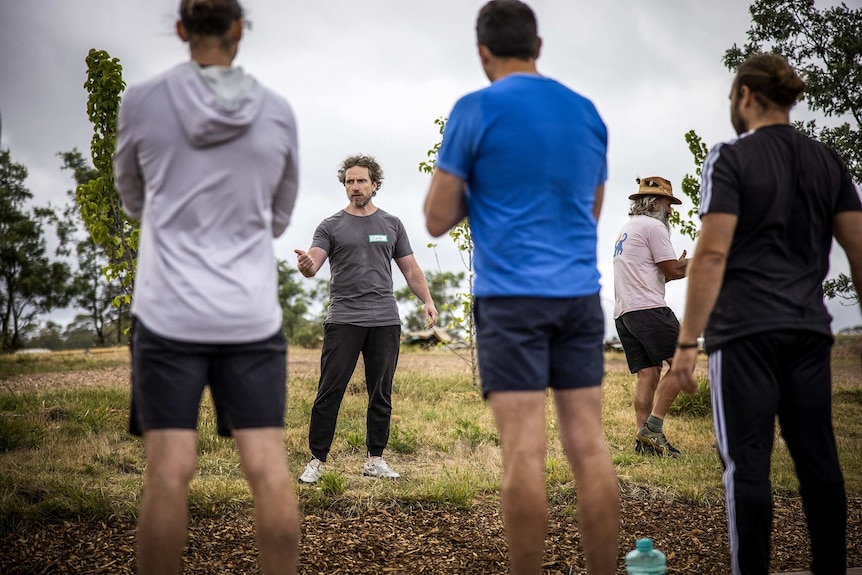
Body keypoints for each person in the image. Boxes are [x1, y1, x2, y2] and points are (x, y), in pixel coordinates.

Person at [423, 1, 619, 573]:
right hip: (580, 296)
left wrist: (485, 190)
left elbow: (436, 218)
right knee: (588, 446)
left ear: (483, 52)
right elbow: (592, 209)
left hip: (510, 300)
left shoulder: (475, 109)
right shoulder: (586, 112)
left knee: (524, 452)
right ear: (539, 47)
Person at [113, 1, 301, 573]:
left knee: (168, 471)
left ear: (181, 31)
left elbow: (132, 197)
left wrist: (177, 225)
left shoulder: (141, 102)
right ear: (239, 29)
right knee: (268, 467)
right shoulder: (277, 112)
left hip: (168, 313)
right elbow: (279, 214)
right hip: (250, 315)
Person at [666, 53, 862, 575]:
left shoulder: (728, 158)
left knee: (746, 466)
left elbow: (710, 254)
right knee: (820, 464)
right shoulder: (829, 161)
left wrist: (687, 345)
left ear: (746, 97)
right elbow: (859, 251)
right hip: (808, 331)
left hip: (743, 334)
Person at [295, 154, 438, 484]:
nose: (355, 186)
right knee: (329, 392)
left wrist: (427, 300)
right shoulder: (330, 226)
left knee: (381, 393)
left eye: (361, 181)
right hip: (344, 320)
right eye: (349, 181)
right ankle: (317, 461)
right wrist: (306, 266)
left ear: (375, 184)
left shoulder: (391, 224)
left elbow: (411, 269)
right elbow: (314, 264)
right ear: (343, 185)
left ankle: (375, 459)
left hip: (385, 321)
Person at [613, 176, 689, 457]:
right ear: (657, 203)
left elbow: (653, 275)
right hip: (649, 310)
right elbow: (673, 271)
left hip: (625, 313)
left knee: (649, 373)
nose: (670, 211)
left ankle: (644, 441)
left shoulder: (628, 228)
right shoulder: (654, 227)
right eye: (669, 204)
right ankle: (653, 429)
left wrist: (676, 267)